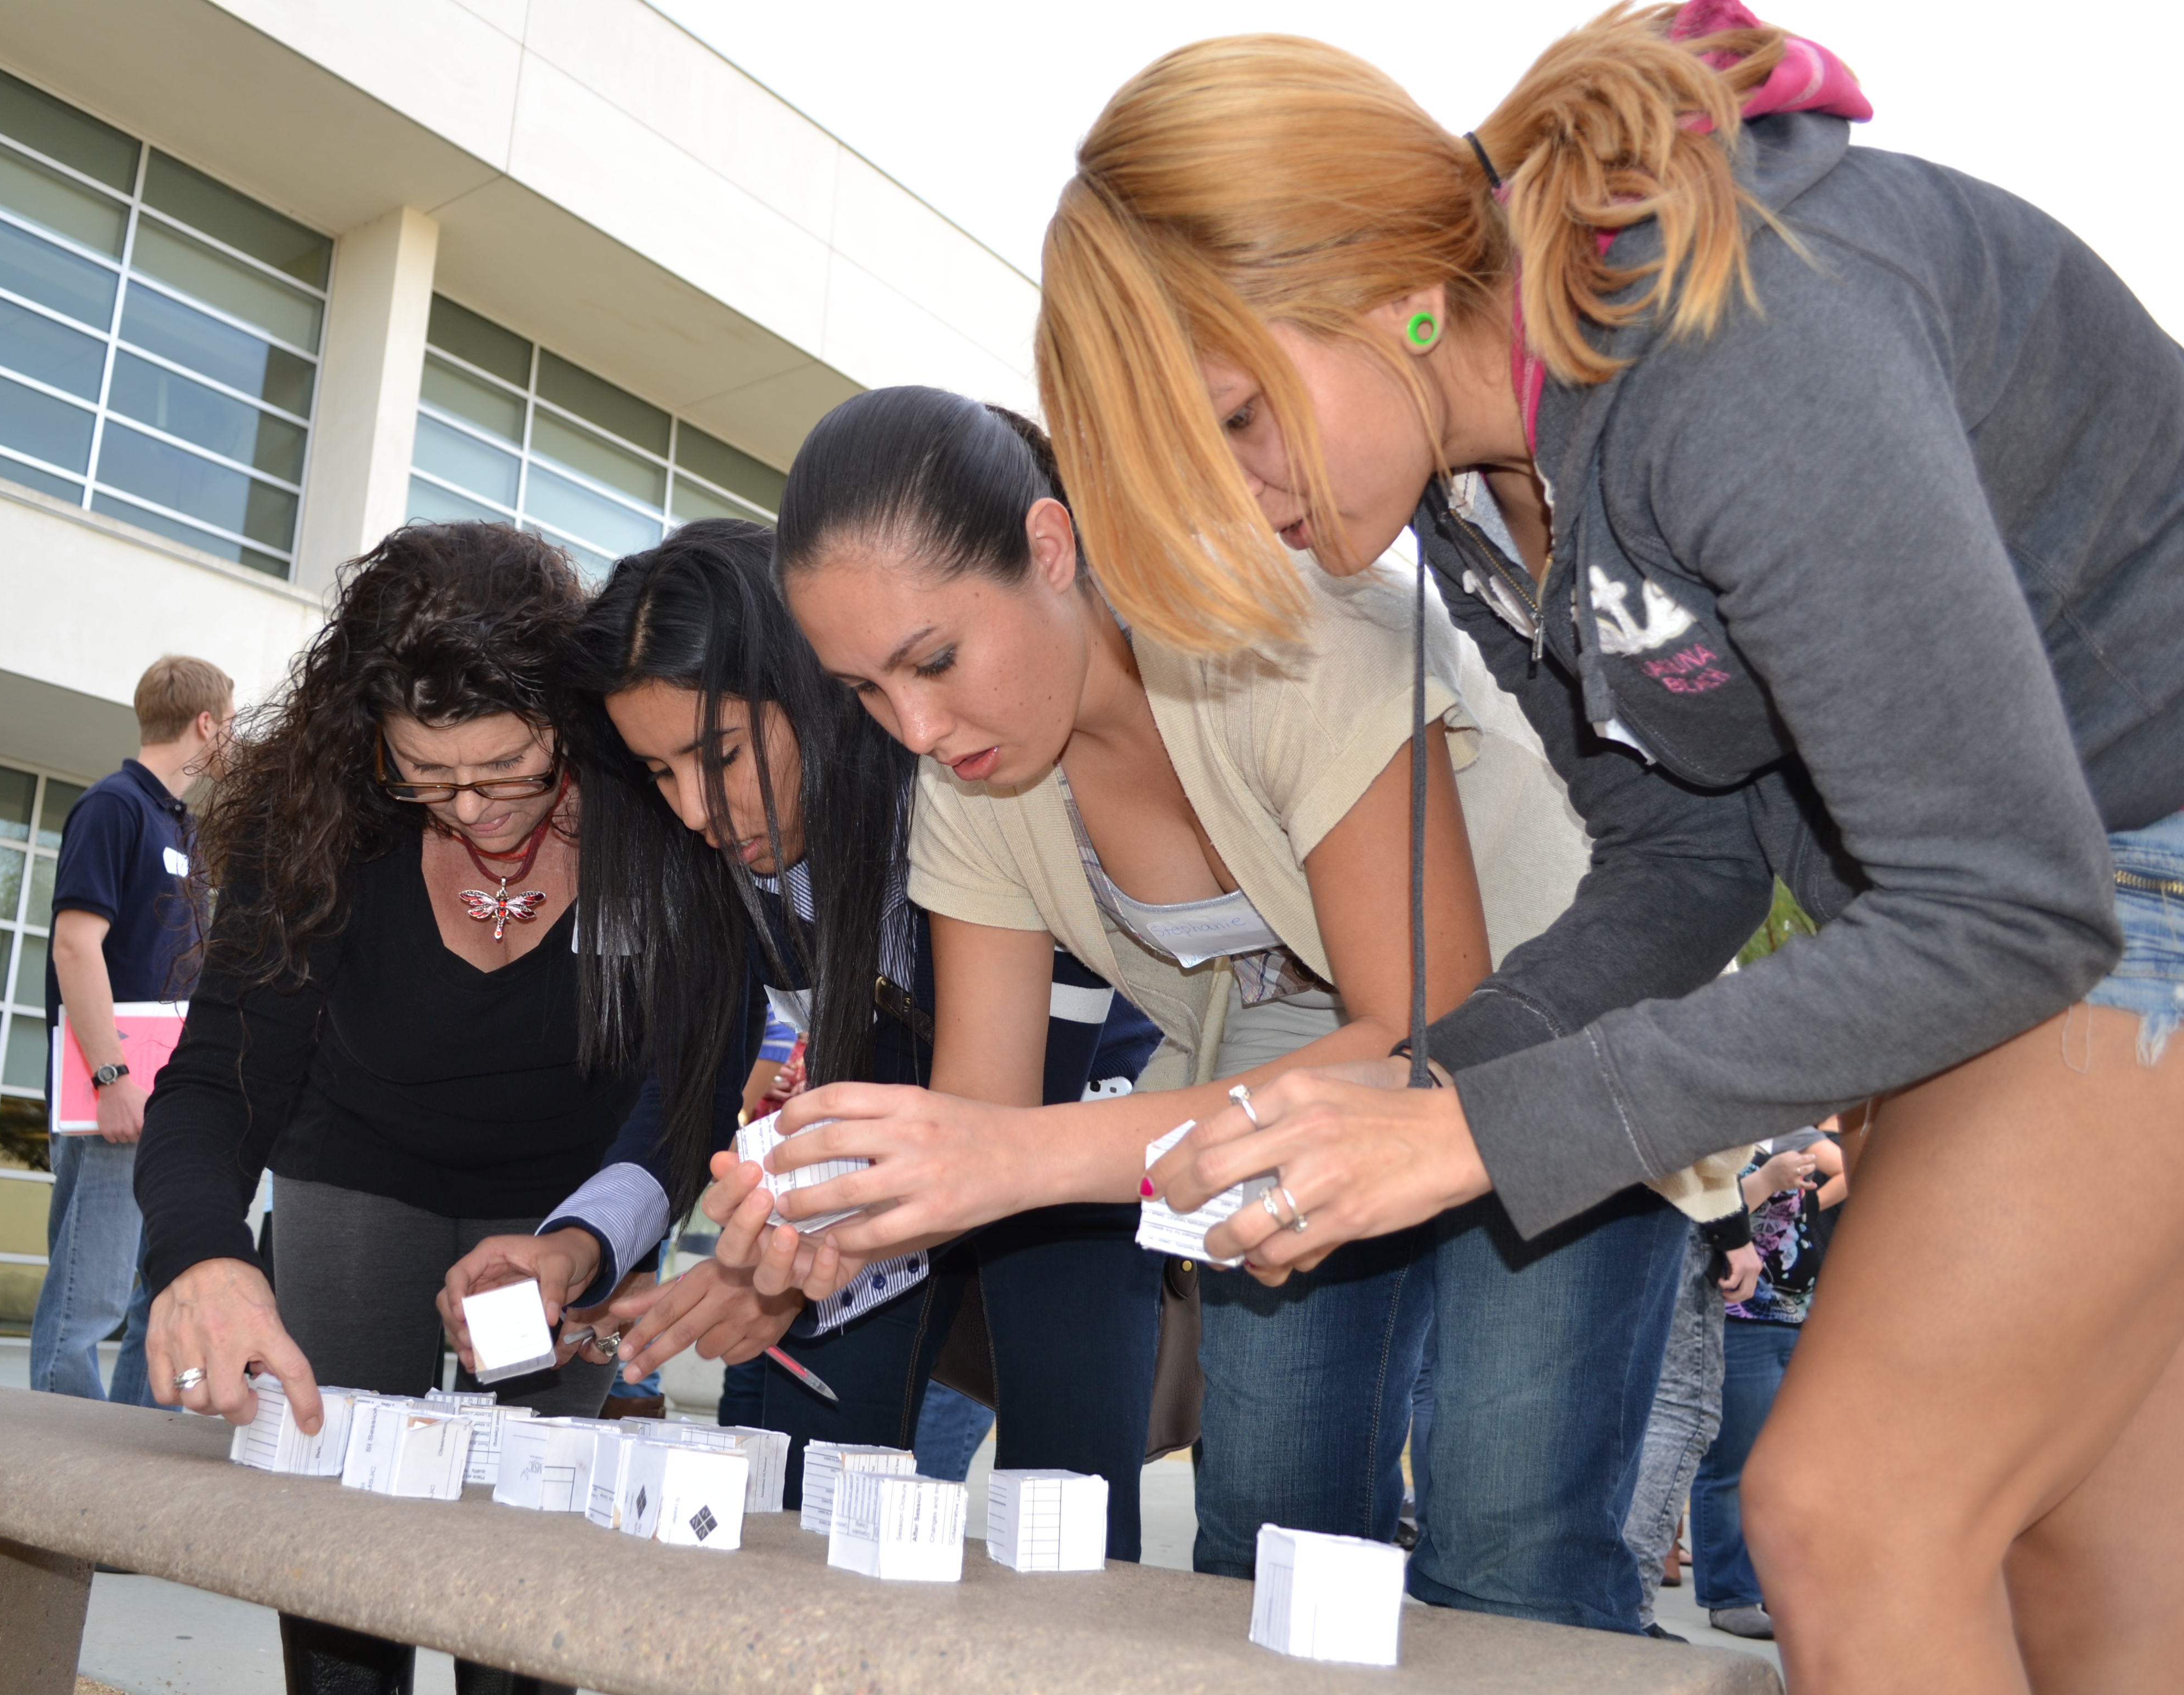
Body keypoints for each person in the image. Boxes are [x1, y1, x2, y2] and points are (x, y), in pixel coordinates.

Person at [1016, 5, 2183, 1687]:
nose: (1240, 504)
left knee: (1851, 1513)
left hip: (2110, 855)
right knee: (2076, 1565)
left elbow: (2008, 900)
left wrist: (1481, 1127)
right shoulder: (1473, 489)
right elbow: (1681, 865)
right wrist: (1419, 1089)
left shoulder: (1740, 358)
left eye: (1241, 425)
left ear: (1389, 283)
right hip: (2039, 891)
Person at [720, 387, 1740, 1625]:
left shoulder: (1285, 642)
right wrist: (839, 1222)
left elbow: (1433, 1032)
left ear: (1052, 550)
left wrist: (992, 1156)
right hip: (1294, 1076)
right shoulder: (972, 784)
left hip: (1547, 1031)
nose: (919, 727)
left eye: (934, 658)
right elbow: (983, 1118)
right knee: (1268, 1536)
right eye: (866, 692)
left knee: (1506, 1551)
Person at [463, 516, 1166, 1552]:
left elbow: (1003, 1108)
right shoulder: (721, 867)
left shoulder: (966, 800)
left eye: (722, 754)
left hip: (1064, 1166)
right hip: (859, 1202)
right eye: (660, 773)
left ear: (817, 690)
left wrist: (791, 1263)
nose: (699, 810)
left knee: (1068, 1520)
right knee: (794, 1497)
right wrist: (578, 1246)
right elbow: (687, 1088)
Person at [135, 521, 633, 1695]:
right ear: (369, 745)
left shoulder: (647, 817)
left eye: (511, 767)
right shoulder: (315, 824)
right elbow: (218, 1079)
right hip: (356, 1175)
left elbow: (688, 1077)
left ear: (573, 720)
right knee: (343, 1544)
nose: (474, 809)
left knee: (526, 1566)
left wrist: (601, 1241)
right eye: (426, 774)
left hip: (567, 1210)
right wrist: (201, 1254)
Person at [31, 654, 232, 1405]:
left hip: (173, 1100)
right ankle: (61, 1464)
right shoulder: (112, 807)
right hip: (112, 1096)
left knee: (165, 1286)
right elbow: (75, 946)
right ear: (205, 723)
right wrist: (111, 1078)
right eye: (232, 726)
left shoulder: (187, 827)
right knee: (90, 1294)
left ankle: (130, 1451)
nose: (233, 741)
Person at [1694, 1131, 1846, 1640]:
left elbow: (1852, 1167)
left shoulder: (1797, 1130)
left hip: (1796, 1315)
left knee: (1780, 1463)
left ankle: (1765, 1586)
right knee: (1732, 1461)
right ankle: (1729, 1595)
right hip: (1743, 1316)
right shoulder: (1725, 1132)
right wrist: (1768, 1179)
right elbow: (1711, 1216)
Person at [1620, 1195, 1761, 1635]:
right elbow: (1702, 1149)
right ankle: (1626, 1610)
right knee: (1682, 1411)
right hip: (1676, 1209)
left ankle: (1589, 1598)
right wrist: (1733, 1234)